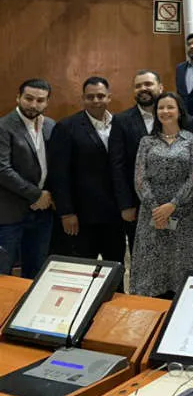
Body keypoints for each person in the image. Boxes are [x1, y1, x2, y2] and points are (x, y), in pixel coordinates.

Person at [130, 93, 193, 298]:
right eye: (161, 108)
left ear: (179, 111)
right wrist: (156, 209)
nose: (165, 112)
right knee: (151, 264)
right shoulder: (147, 141)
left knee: (183, 263)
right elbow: (139, 178)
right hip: (151, 213)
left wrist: (172, 205)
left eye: (170, 107)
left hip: (184, 212)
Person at [47, 77, 125, 263]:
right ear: (83, 98)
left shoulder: (120, 124)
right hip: (82, 217)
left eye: (100, 96)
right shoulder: (67, 127)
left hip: (115, 215)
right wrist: (66, 213)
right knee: (82, 270)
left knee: (115, 267)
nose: (96, 101)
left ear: (109, 97)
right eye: (90, 97)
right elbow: (59, 174)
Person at [0, 79, 55, 278]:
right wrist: (36, 195)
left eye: (40, 100)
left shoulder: (50, 125)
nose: (33, 105)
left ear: (47, 102)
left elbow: (55, 165)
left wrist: (47, 196)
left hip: (42, 213)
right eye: (28, 98)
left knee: (36, 272)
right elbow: (2, 170)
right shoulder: (4, 127)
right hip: (10, 215)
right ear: (18, 97)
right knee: (3, 273)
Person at [109, 70, 163, 254]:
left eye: (148, 84)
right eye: (138, 85)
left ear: (160, 88)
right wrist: (125, 204)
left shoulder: (174, 116)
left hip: (171, 201)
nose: (143, 89)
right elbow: (117, 166)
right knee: (141, 254)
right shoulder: (121, 120)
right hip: (136, 203)